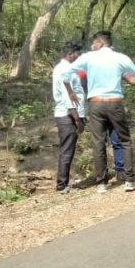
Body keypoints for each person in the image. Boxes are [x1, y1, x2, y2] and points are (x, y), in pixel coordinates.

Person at [62, 31, 135, 193]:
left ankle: (102, 183)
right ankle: (130, 180)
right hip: (114, 103)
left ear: (100, 44)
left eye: (94, 43)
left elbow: (66, 73)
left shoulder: (88, 58)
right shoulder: (119, 58)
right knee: (124, 140)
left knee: (98, 143)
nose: (91, 46)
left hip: (95, 104)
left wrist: (70, 90)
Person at [52, 42, 86, 194]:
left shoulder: (64, 68)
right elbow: (68, 97)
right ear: (71, 54)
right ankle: (62, 185)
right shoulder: (65, 70)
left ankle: (63, 183)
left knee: (68, 150)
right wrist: (77, 119)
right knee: (67, 150)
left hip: (68, 114)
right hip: (67, 116)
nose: (79, 57)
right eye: (78, 54)